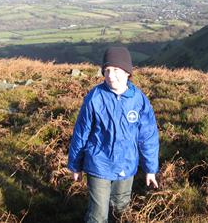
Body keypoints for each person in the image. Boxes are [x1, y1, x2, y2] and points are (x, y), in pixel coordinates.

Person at [68, 46, 159, 223]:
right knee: (98, 215)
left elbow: (148, 137)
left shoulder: (138, 100)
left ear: (127, 73)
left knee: (120, 210)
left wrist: (150, 169)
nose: (110, 75)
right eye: (107, 70)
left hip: (127, 164)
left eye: (116, 70)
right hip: (98, 164)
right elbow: (81, 132)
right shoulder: (95, 97)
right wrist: (75, 166)